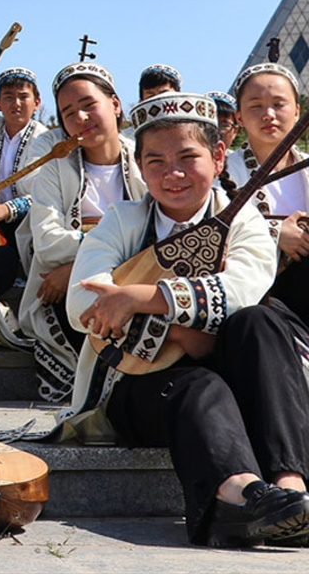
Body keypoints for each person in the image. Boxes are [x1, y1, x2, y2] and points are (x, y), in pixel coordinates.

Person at [61, 92, 309, 547]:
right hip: (139, 388)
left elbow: (242, 291)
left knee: (260, 322)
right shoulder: (121, 220)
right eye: (155, 161)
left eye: (187, 157)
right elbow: (84, 303)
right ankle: (239, 496)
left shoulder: (245, 220)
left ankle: (291, 491)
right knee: (197, 384)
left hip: (231, 377)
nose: (172, 174)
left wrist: (141, 296)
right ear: (137, 165)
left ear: (218, 157)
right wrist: (178, 331)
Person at [18, 63, 146, 403]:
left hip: (138, 276)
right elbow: (46, 243)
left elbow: (161, 232)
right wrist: (85, 263)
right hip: (80, 283)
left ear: (115, 104)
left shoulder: (146, 158)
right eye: (68, 113)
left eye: (89, 105)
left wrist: (71, 266)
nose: (81, 118)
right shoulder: (54, 168)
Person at [220, 63, 309, 325]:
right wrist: (275, 232)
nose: (268, 114)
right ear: (239, 116)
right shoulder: (222, 172)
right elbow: (208, 231)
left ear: (297, 112)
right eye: (256, 106)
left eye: (279, 104)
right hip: (257, 298)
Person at [0, 68, 48, 299]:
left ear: (36, 102)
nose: (16, 103)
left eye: (23, 96)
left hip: (30, 221)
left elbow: (42, 194)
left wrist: (6, 210)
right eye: (8, 97)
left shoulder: (44, 139)